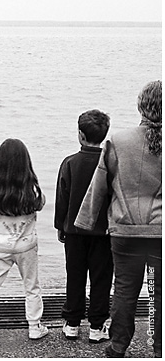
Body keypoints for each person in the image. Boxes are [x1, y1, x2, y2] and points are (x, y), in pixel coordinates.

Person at [75, 80, 162, 358]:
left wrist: (85, 223)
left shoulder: (118, 141)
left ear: (140, 105)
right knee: (160, 295)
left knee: (125, 292)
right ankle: (159, 347)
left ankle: (118, 346)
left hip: (125, 232)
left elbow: (99, 186)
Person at [0, 138, 49, 340]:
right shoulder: (32, 193)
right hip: (26, 247)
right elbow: (41, 204)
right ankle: (34, 326)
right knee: (31, 286)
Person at [54, 109, 113, 343]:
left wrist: (61, 226)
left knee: (75, 275)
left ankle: (72, 323)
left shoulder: (70, 163)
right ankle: (97, 327)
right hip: (103, 232)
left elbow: (62, 199)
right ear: (105, 135)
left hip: (74, 232)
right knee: (101, 278)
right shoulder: (109, 163)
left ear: (80, 135)